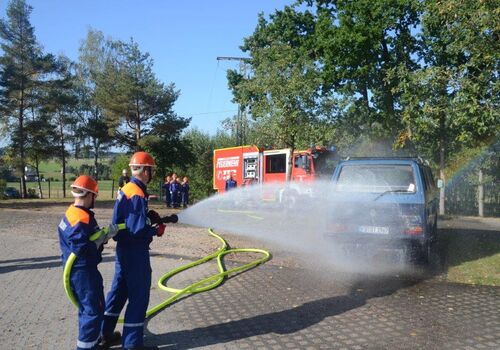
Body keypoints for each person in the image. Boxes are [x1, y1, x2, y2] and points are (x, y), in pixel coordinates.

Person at [101, 152, 165, 350]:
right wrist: (155, 229)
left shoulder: (128, 188)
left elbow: (129, 219)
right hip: (135, 251)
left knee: (119, 292)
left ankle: (105, 333)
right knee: (138, 296)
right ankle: (132, 344)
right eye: (151, 170)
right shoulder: (136, 193)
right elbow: (137, 228)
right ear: (145, 170)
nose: (152, 173)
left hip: (124, 250)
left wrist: (147, 214)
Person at [58, 175, 120, 350]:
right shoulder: (81, 219)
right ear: (90, 194)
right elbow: (81, 248)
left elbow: (85, 240)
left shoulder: (72, 213)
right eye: (95, 196)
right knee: (93, 311)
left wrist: (102, 237)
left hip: (78, 272)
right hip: (83, 273)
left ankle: (92, 342)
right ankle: (86, 347)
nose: (95, 200)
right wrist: (100, 240)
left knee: (87, 310)